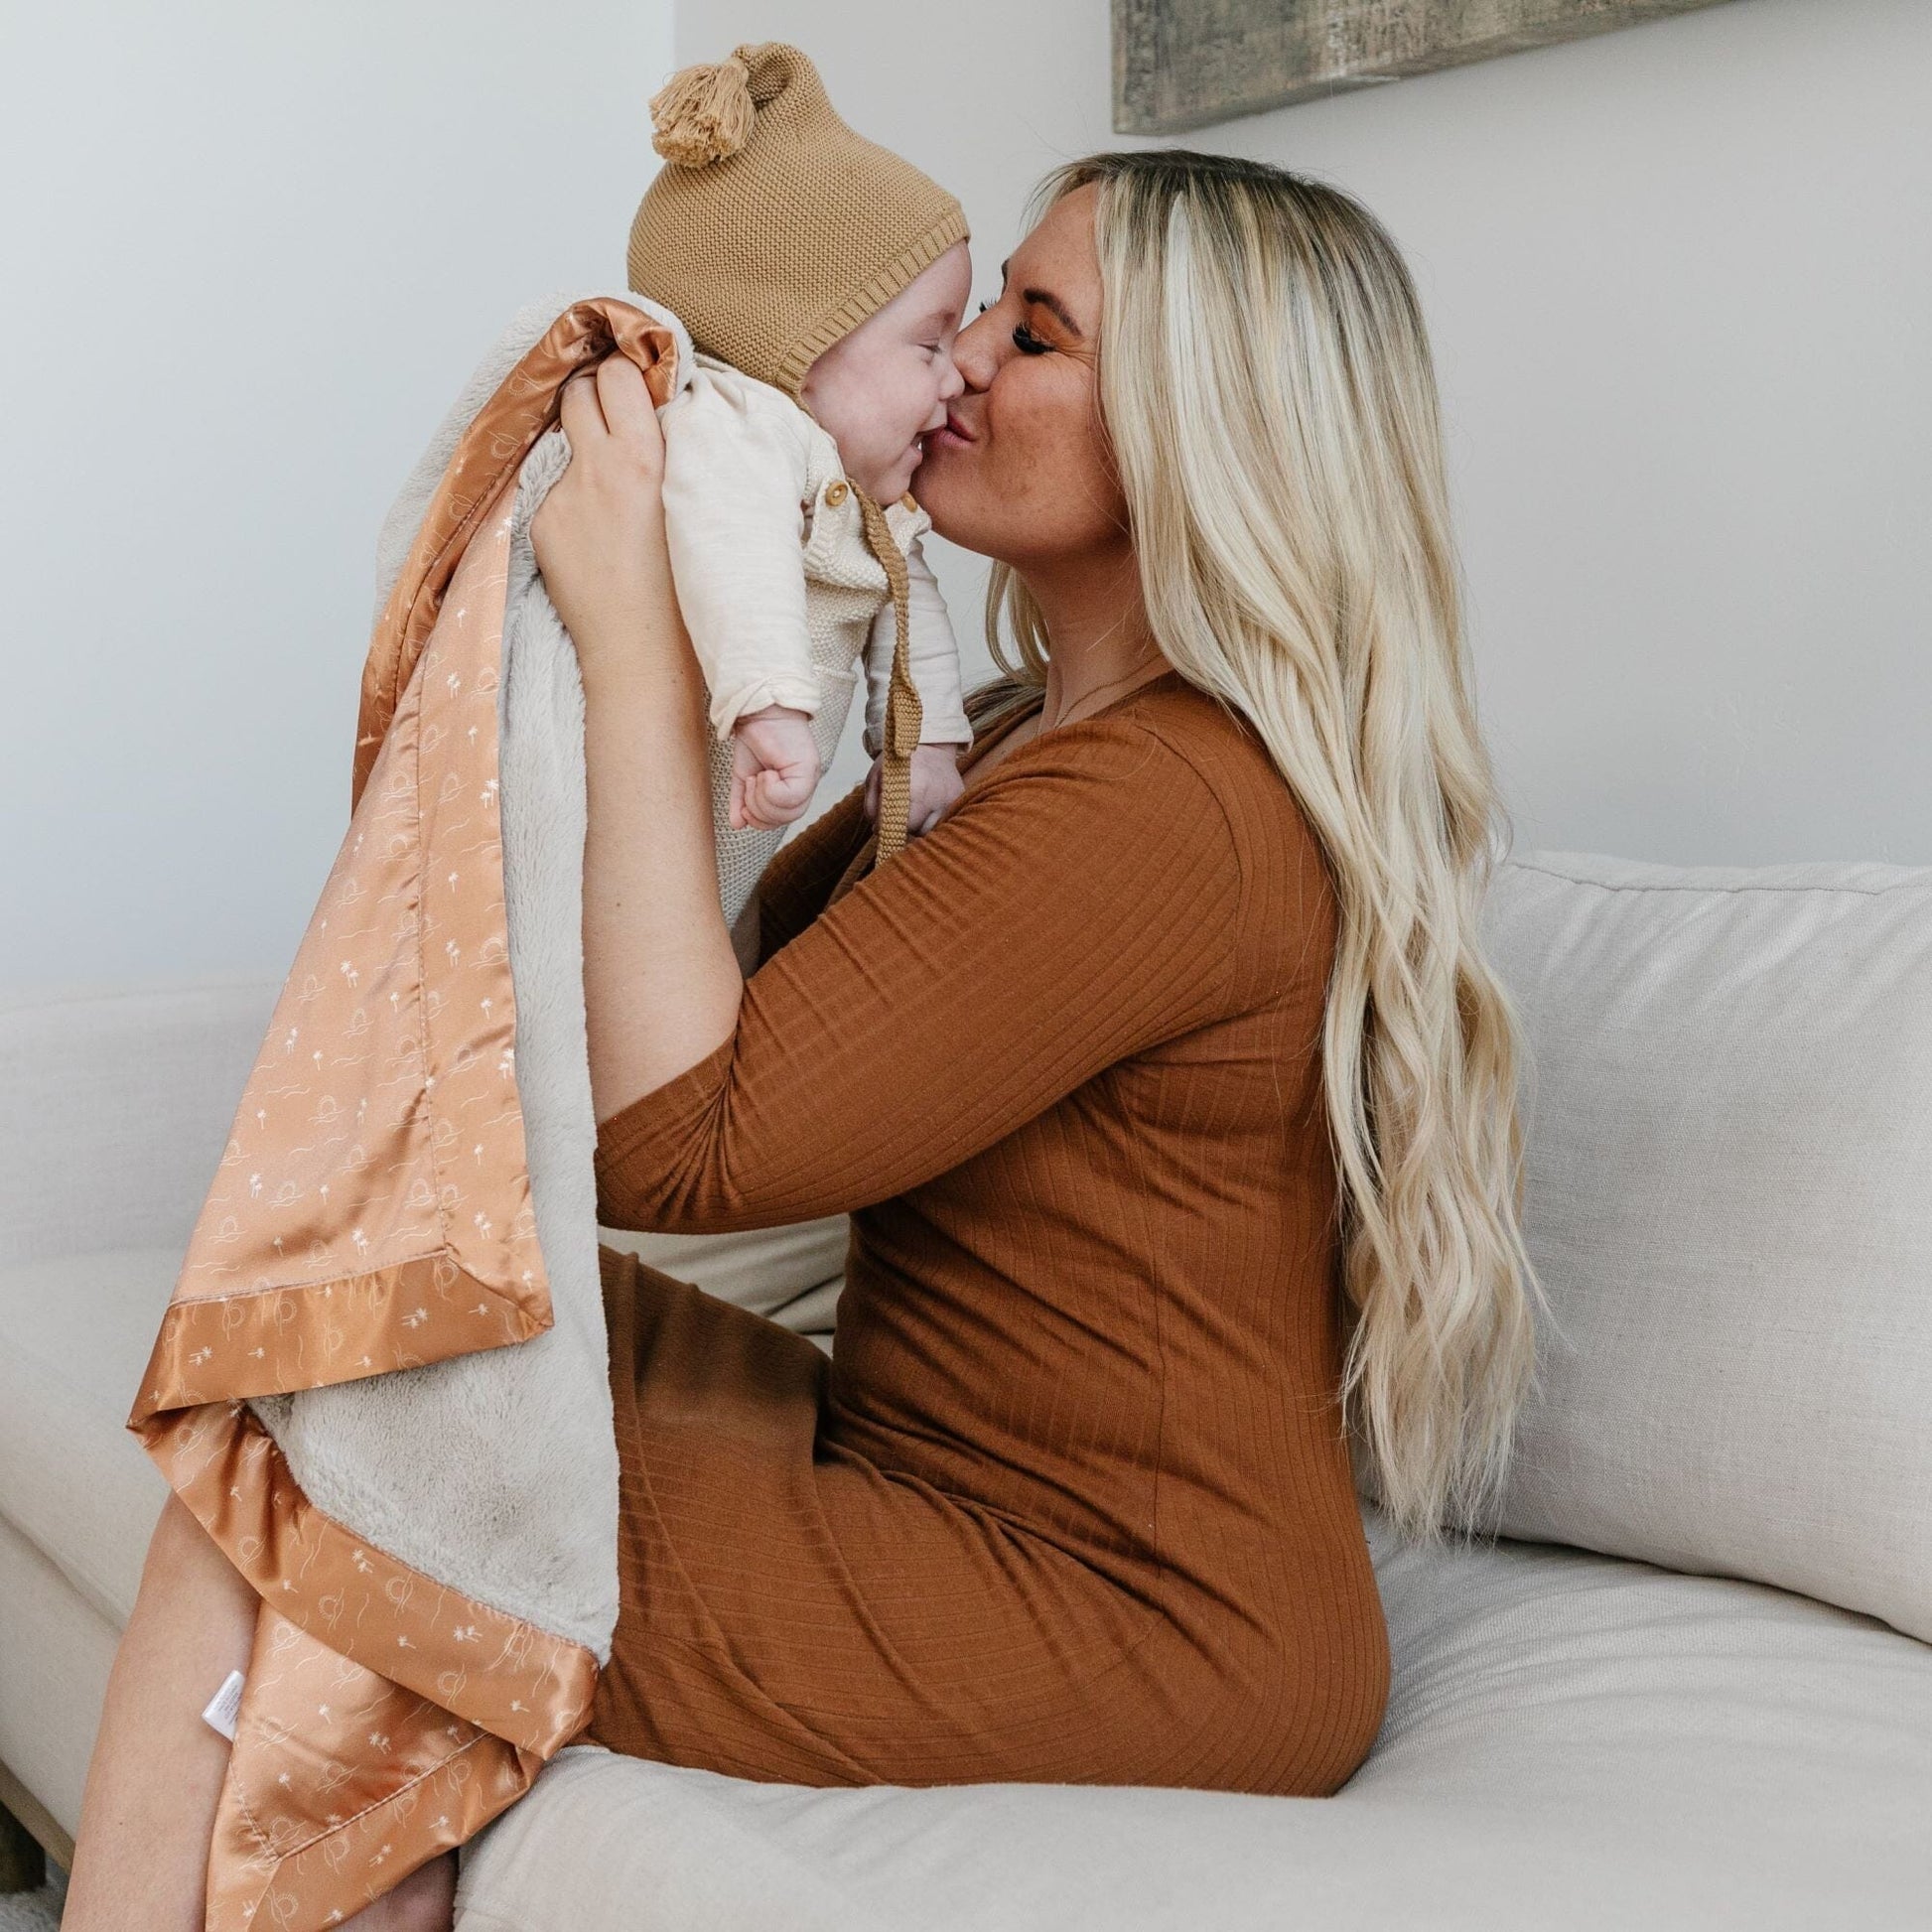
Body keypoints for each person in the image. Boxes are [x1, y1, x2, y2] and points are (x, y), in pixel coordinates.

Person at [64, 147, 1540, 1931]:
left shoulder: (1166, 803)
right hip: (922, 1460)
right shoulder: (1021, 737)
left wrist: (630, 639)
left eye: (1038, 331)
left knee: (343, 1458)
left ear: (1193, 428)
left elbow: (676, 1140)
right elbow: (708, 995)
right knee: (349, 1321)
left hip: (1130, 1609)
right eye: (985, 304)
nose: (964, 358)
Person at [633, 40, 975, 848]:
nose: (956, 380)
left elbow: (905, 596)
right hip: (655, 819)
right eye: (930, 348)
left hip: (736, 833)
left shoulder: (866, 499)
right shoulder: (734, 422)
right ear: (795, 349)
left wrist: (927, 744)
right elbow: (732, 546)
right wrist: (771, 707)